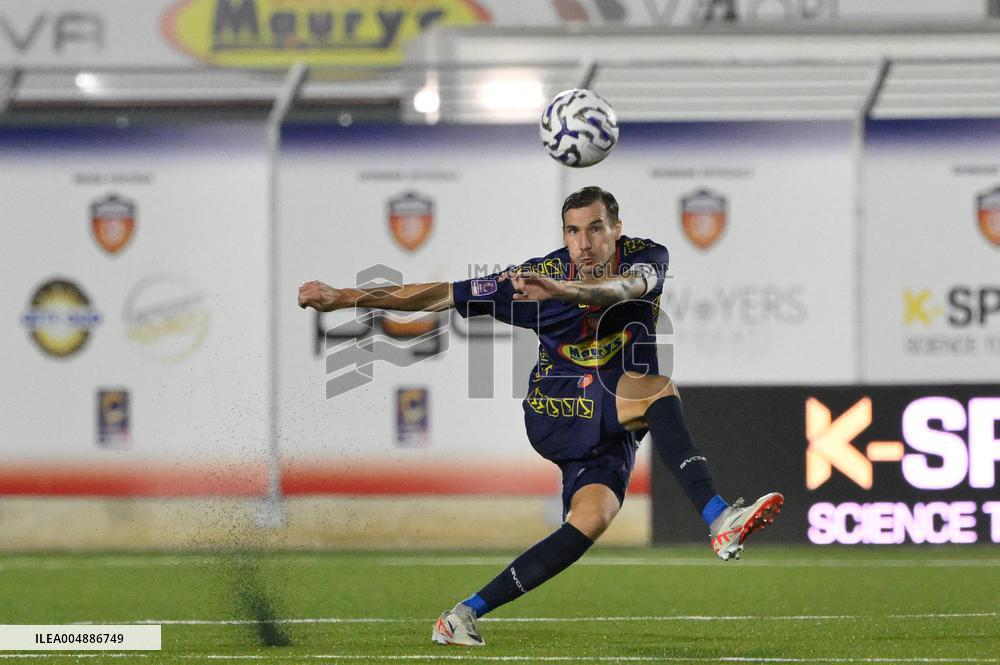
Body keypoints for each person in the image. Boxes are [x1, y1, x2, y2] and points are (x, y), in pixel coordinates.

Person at [298, 186, 783, 647]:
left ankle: (462, 614)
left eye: (595, 229)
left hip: (612, 420)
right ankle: (720, 516)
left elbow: (621, 289)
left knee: (592, 519)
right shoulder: (532, 279)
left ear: (617, 228)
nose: (584, 243)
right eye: (573, 231)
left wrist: (566, 292)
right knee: (658, 388)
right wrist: (344, 297)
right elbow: (442, 294)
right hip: (558, 408)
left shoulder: (646, 256)